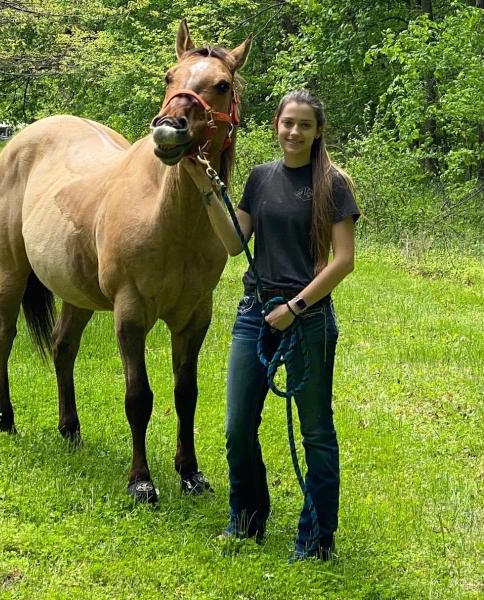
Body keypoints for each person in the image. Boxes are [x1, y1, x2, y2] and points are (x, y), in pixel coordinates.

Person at [183, 89, 360, 560]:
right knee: (238, 426)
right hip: (254, 315)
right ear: (276, 125)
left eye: (304, 124)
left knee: (316, 430)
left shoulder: (333, 184)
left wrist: (296, 308)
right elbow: (235, 243)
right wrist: (207, 193)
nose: (293, 132)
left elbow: (343, 261)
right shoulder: (261, 179)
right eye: (287, 123)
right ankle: (246, 520)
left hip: (309, 317)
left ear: (318, 130)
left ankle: (317, 538)